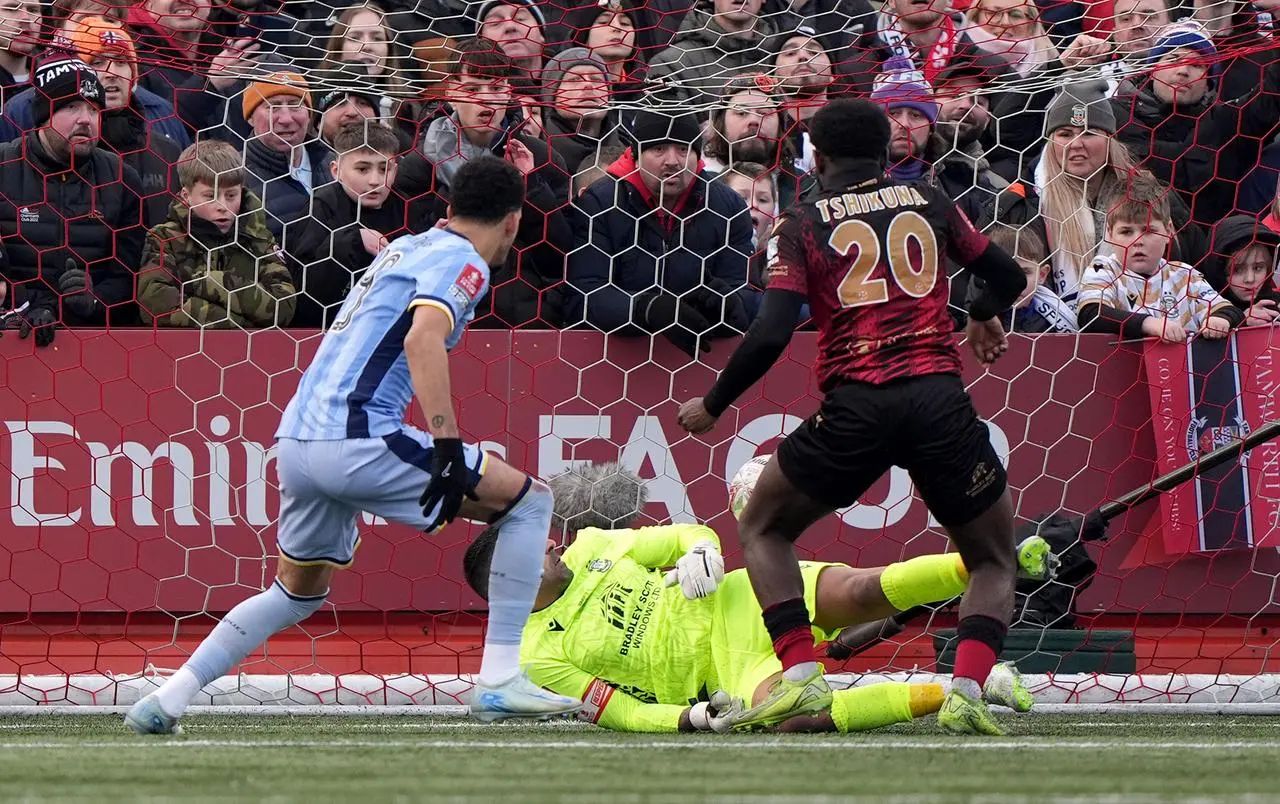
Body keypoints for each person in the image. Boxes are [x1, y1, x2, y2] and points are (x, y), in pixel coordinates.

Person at [124, 155, 582, 735]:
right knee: (531, 501)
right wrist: (445, 442)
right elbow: (423, 338)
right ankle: (498, 679)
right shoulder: (462, 260)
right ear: (513, 222)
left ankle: (166, 698)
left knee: (295, 593)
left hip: (296, 439)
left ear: (450, 207)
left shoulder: (408, 246)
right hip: (359, 435)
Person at [675, 98, 1028, 735]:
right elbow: (1004, 271)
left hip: (857, 406)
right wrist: (978, 309)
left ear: (817, 153)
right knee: (993, 558)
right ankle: (969, 691)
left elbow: (772, 329)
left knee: (762, 525)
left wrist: (714, 402)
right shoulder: (929, 200)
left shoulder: (800, 223)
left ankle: (802, 680)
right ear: (885, 149)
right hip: (939, 402)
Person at [461, 463, 1053, 734]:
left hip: (739, 597)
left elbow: (685, 533)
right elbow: (614, 709)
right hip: (722, 668)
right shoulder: (537, 653)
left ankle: (992, 560)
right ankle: (963, 689)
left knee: (865, 590)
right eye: (525, 555)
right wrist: (688, 719)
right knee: (803, 718)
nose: (544, 547)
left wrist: (702, 555)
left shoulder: (591, 544)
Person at [0, 57, 145, 346]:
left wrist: (94, 301)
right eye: (71, 106)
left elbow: (130, 274)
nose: (85, 119)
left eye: (93, 109)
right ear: (44, 115)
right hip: (12, 337)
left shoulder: (121, 178)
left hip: (95, 342)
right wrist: (32, 304)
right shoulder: (3, 166)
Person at [138, 140, 296, 328]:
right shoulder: (164, 238)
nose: (222, 206)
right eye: (210, 196)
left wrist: (212, 283)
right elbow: (156, 304)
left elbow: (283, 306)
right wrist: (239, 323)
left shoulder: (259, 239)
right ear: (185, 195)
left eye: (231, 196)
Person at [290, 123, 433, 328]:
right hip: (328, 329)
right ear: (336, 170)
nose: (375, 180)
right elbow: (303, 288)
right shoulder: (322, 207)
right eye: (363, 169)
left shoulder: (407, 208)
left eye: (384, 169)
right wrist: (354, 240)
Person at [1078, 175, 1243, 341]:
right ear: (1109, 233)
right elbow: (1091, 314)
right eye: (1126, 232)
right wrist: (1149, 324)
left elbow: (1229, 310)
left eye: (1149, 231)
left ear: (1168, 230)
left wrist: (1219, 319)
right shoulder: (1104, 269)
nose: (1137, 241)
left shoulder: (1184, 276)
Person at [1201, 215, 1280, 326]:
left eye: (1258, 268)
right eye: (1237, 270)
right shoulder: (1200, 311)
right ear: (1218, 270)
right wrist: (1240, 321)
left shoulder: (1276, 304)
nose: (1250, 279)